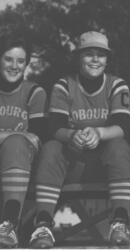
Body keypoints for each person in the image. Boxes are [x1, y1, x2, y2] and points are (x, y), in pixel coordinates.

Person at [29, 31, 130, 248]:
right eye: (89, 54)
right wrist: (71, 135)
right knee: (51, 147)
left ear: (107, 60)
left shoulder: (116, 84)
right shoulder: (64, 84)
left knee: (119, 146)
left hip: (106, 166)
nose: (96, 60)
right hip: (73, 164)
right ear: (78, 58)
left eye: (101, 55)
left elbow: (124, 126)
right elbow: (54, 127)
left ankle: (120, 222)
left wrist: (99, 133)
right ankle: (43, 224)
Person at [0, 30, 47, 248]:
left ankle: (9, 225)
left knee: (17, 144)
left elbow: (36, 138)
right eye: (8, 59)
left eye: (21, 61)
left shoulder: (33, 92)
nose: (14, 66)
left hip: (21, 163)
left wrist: (8, 138)